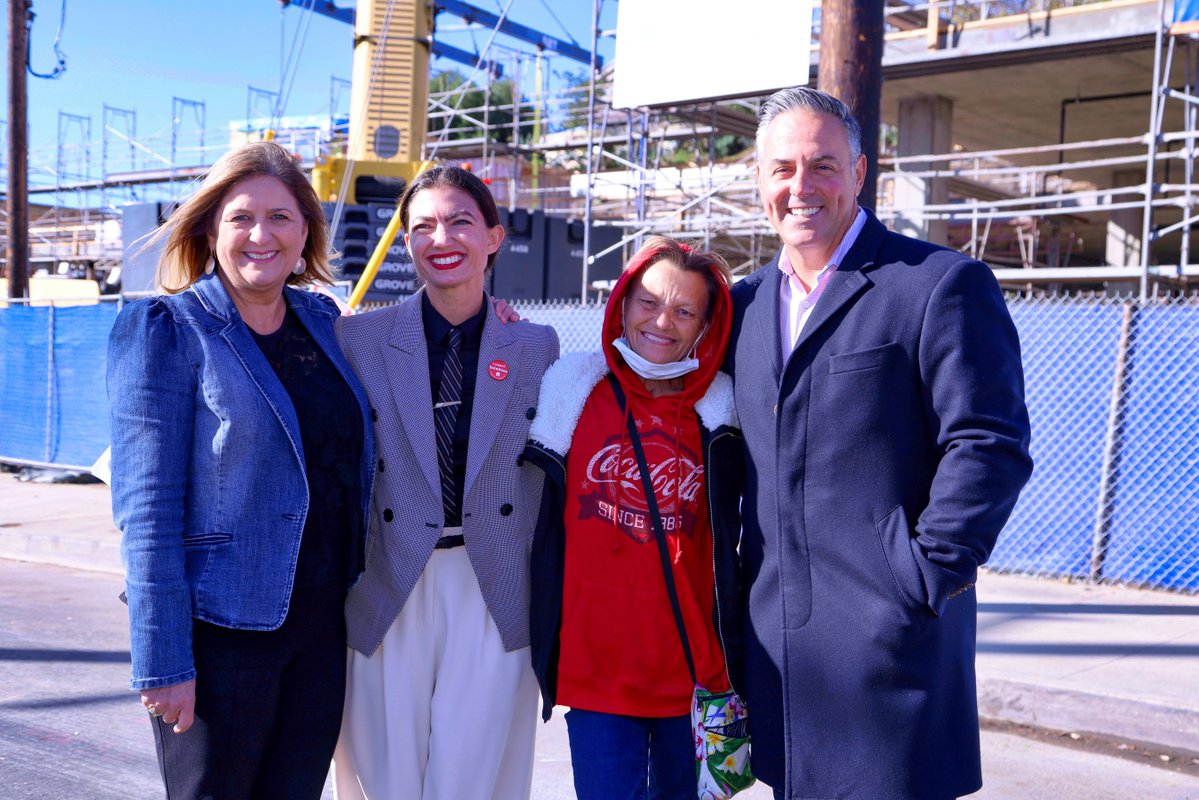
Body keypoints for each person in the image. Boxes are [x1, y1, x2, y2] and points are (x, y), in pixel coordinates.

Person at [727, 86, 1034, 800]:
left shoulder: (938, 285)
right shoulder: (739, 308)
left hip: (892, 654)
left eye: (822, 166)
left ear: (860, 174)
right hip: (782, 660)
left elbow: (990, 444)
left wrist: (923, 577)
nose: (800, 187)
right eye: (782, 169)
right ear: (760, 181)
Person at [106, 140, 376, 799]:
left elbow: (416, 344)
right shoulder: (169, 330)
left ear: (307, 229)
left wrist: (492, 313)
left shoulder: (323, 322)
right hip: (221, 633)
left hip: (321, 625)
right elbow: (148, 509)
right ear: (208, 228)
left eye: (282, 217)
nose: (263, 235)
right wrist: (163, 658)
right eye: (242, 217)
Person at [331, 165, 559, 800]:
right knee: (384, 776)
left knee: (474, 776)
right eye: (423, 225)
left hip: (494, 581)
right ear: (407, 244)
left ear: (494, 237)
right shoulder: (358, 337)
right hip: (390, 577)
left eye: (460, 221)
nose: (441, 237)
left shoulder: (536, 346)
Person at [523, 236, 745, 799]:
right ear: (621, 304)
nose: (662, 321)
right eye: (648, 302)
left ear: (704, 327)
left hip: (695, 680)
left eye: (684, 310)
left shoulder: (724, 413)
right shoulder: (571, 390)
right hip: (595, 676)